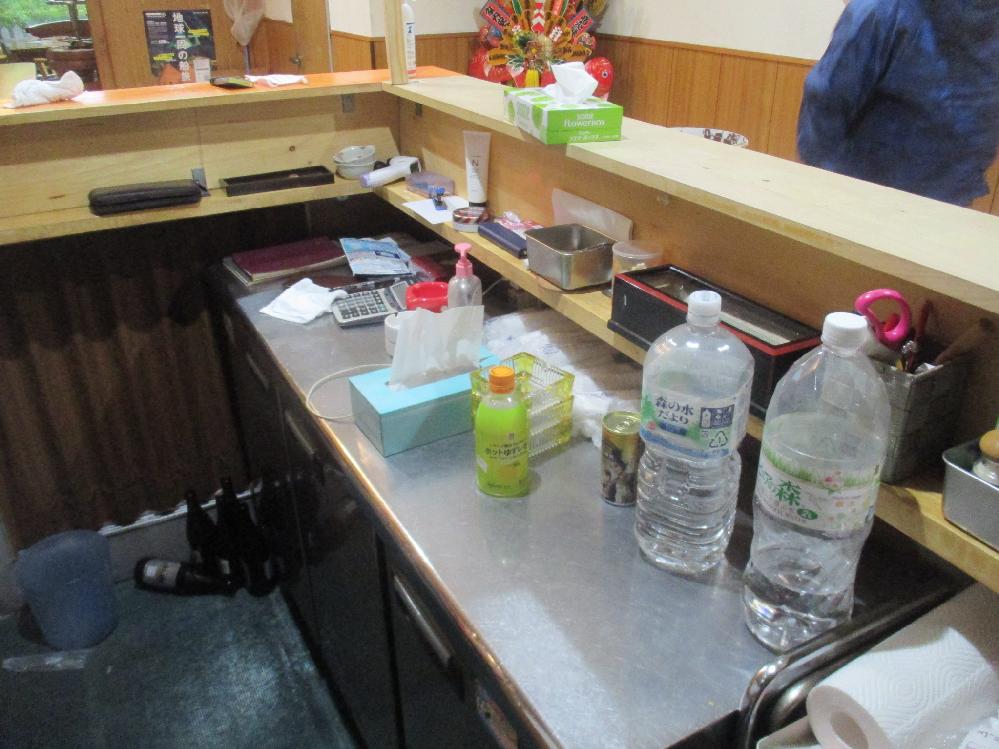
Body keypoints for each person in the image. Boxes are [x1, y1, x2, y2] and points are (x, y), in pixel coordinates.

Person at [797, 0, 999, 207]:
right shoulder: (886, 10)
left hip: (948, 198)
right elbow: (826, 102)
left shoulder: (885, 9)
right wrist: (830, 188)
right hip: (863, 196)